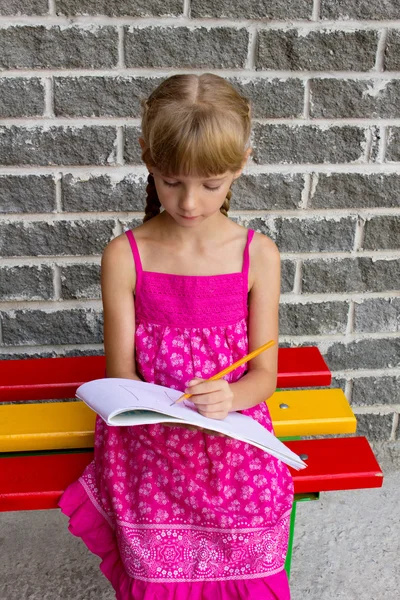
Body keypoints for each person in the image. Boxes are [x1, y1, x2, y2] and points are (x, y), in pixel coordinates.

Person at [59, 73, 294, 600]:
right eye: (171, 181)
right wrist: (161, 410)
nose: (189, 203)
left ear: (240, 164)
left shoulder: (257, 255)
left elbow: (265, 375)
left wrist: (231, 396)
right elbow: (120, 373)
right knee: (156, 548)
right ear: (146, 157)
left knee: (256, 512)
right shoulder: (126, 255)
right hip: (151, 441)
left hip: (232, 435)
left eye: (211, 185)